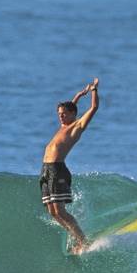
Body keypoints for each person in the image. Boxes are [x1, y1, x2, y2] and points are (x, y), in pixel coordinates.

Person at [39, 78, 99, 254]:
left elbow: (94, 107)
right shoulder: (63, 125)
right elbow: (72, 107)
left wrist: (94, 90)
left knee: (60, 211)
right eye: (59, 113)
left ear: (73, 114)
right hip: (46, 170)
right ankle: (76, 237)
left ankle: (83, 241)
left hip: (57, 170)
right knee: (53, 213)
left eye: (64, 114)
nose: (60, 116)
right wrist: (78, 96)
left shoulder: (77, 126)